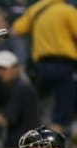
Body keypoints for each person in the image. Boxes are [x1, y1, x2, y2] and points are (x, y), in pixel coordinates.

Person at [12, 0, 77, 134]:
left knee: (39, 111)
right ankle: (53, 145)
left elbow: (16, 30)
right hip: (64, 66)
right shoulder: (68, 11)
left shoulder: (36, 9)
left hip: (40, 68)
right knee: (60, 116)